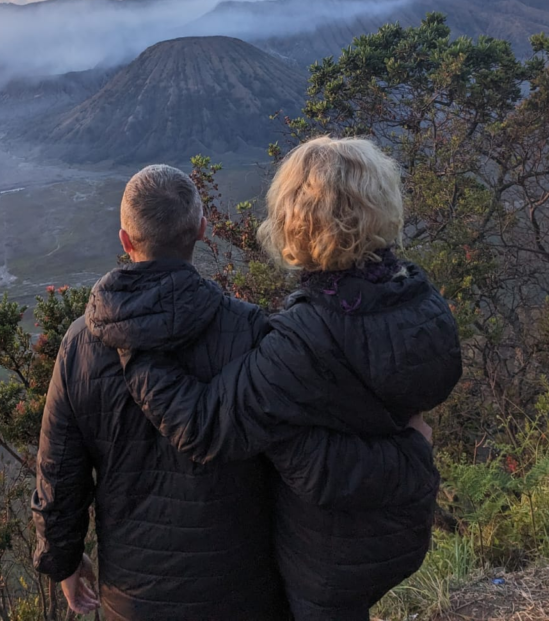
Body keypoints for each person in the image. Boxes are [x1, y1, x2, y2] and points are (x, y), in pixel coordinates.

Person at [33, 163, 438, 621]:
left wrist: (62, 560)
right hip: (245, 588)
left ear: (126, 240)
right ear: (203, 230)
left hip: (134, 598)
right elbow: (304, 455)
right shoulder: (252, 330)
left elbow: (59, 474)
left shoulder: (80, 345)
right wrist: (409, 451)